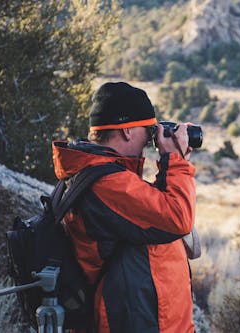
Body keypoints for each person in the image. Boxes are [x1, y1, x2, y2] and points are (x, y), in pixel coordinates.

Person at [51, 82, 196, 333]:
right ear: (127, 131)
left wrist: (169, 163)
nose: (151, 139)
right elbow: (176, 217)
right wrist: (175, 161)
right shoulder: (105, 182)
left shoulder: (104, 174)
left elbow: (148, 210)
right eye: (149, 130)